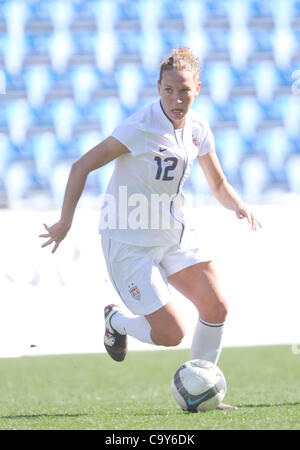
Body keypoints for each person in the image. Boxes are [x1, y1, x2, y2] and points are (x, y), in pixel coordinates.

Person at [40, 48, 261, 410]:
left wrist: (238, 205)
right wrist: (65, 221)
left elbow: (218, 184)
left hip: (174, 236)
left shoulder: (198, 128)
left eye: (185, 91)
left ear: (198, 89)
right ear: (158, 88)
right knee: (171, 334)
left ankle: (203, 389)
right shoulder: (139, 127)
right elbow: (80, 166)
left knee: (217, 306)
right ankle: (118, 321)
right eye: (169, 90)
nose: (177, 98)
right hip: (128, 242)